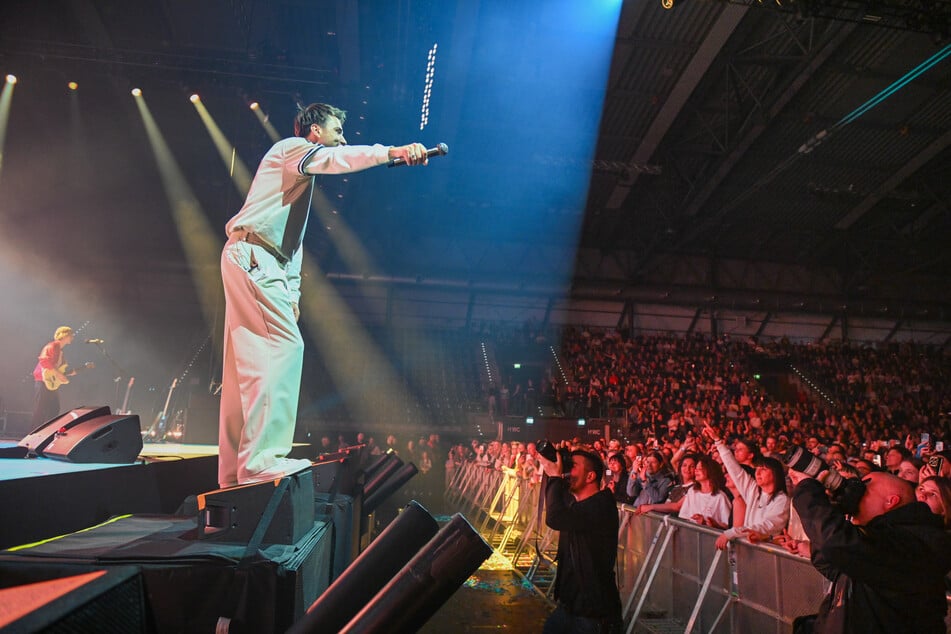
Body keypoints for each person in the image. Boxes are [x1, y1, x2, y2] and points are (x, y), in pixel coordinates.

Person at [217, 102, 428, 487]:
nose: (341, 138)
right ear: (314, 130)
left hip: (255, 257)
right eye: (336, 130)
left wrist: (293, 291)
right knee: (282, 349)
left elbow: (292, 243)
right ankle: (260, 461)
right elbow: (339, 159)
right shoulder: (292, 149)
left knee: (245, 364)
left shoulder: (299, 177)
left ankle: (234, 472)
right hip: (253, 256)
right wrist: (392, 152)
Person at [789, 468, 951, 633]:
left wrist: (807, 487)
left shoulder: (914, 542)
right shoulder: (879, 539)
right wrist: (837, 506)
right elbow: (830, 563)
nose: (856, 494)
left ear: (891, 501)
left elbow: (835, 543)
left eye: (863, 489)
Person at [538, 448, 622, 633]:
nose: (567, 471)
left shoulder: (601, 505)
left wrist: (555, 477)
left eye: (573, 467)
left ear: (590, 476)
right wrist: (552, 467)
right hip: (569, 607)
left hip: (592, 613)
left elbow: (555, 518)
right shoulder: (577, 504)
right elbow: (557, 500)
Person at [31, 326, 76, 427]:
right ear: (64, 335)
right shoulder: (52, 346)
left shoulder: (60, 351)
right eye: (71, 335)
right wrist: (59, 374)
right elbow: (44, 361)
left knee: (54, 408)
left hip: (50, 382)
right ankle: (33, 434)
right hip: (43, 380)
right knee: (40, 408)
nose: (72, 337)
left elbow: (57, 369)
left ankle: (48, 431)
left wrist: (67, 374)